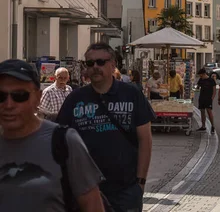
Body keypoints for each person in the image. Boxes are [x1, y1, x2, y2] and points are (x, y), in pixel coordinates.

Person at [58, 42, 155, 212]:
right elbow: (60, 140)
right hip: (85, 190)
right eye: (90, 63)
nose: (95, 67)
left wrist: (140, 182)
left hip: (125, 189)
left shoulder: (131, 94)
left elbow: (145, 140)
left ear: (113, 65)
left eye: (100, 62)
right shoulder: (75, 98)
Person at [0, 59, 105, 212]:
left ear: (37, 97)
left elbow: (93, 205)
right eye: (0, 96)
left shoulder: (64, 141)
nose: (9, 105)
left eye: (20, 96)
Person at [196, 68, 216, 134]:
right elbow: (198, 87)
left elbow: (214, 90)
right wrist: (197, 86)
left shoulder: (211, 80)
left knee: (209, 112)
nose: (200, 77)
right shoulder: (201, 80)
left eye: (201, 75)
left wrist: (212, 98)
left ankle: (212, 126)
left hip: (208, 98)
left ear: (204, 74)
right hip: (202, 97)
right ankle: (203, 125)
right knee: (202, 112)